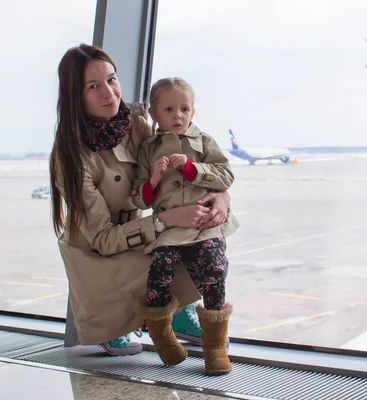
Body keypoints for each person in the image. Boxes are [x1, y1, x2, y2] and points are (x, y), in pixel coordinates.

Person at [49, 44, 232, 356]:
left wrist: (220, 194)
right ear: (75, 97)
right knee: (168, 246)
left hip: (142, 233)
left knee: (204, 241)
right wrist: (165, 222)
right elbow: (103, 239)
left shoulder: (137, 124)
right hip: (100, 252)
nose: (109, 93)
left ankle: (177, 311)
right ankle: (122, 320)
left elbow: (186, 163)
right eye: (93, 86)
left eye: (112, 79)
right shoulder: (70, 157)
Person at [131, 78, 238, 375]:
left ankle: (215, 346)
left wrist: (193, 170)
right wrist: (153, 179)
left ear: (193, 111)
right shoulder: (149, 149)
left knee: (215, 271)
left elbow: (226, 176)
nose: (178, 115)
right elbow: (136, 197)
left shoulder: (203, 141)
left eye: (184, 109)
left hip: (205, 225)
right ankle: (162, 336)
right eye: (169, 109)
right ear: (154, 113)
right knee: (159, 271)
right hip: (169, 230)